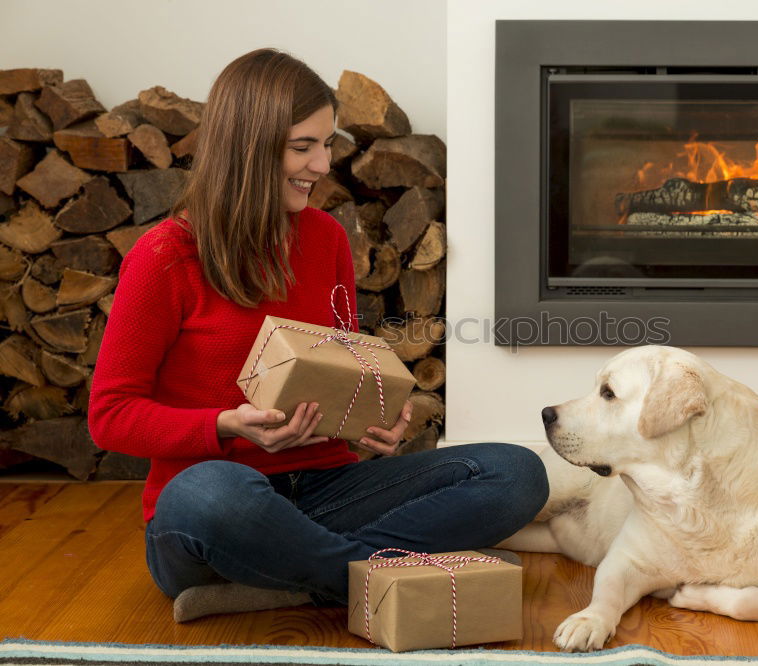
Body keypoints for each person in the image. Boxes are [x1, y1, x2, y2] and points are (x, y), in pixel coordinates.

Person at [88, 48, 548, 622]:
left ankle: (305, 580)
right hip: (222, 510)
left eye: (327, 144)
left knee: (514, 473)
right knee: (208, 494)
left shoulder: (326, 237)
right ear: (247, 150)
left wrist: (372, 422)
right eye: (303, 147)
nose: (323, 164)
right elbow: (110, 415)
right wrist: (226, 426)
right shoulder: (165, 256)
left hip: (328, 492)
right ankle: (378, 579)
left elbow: (336, 369)